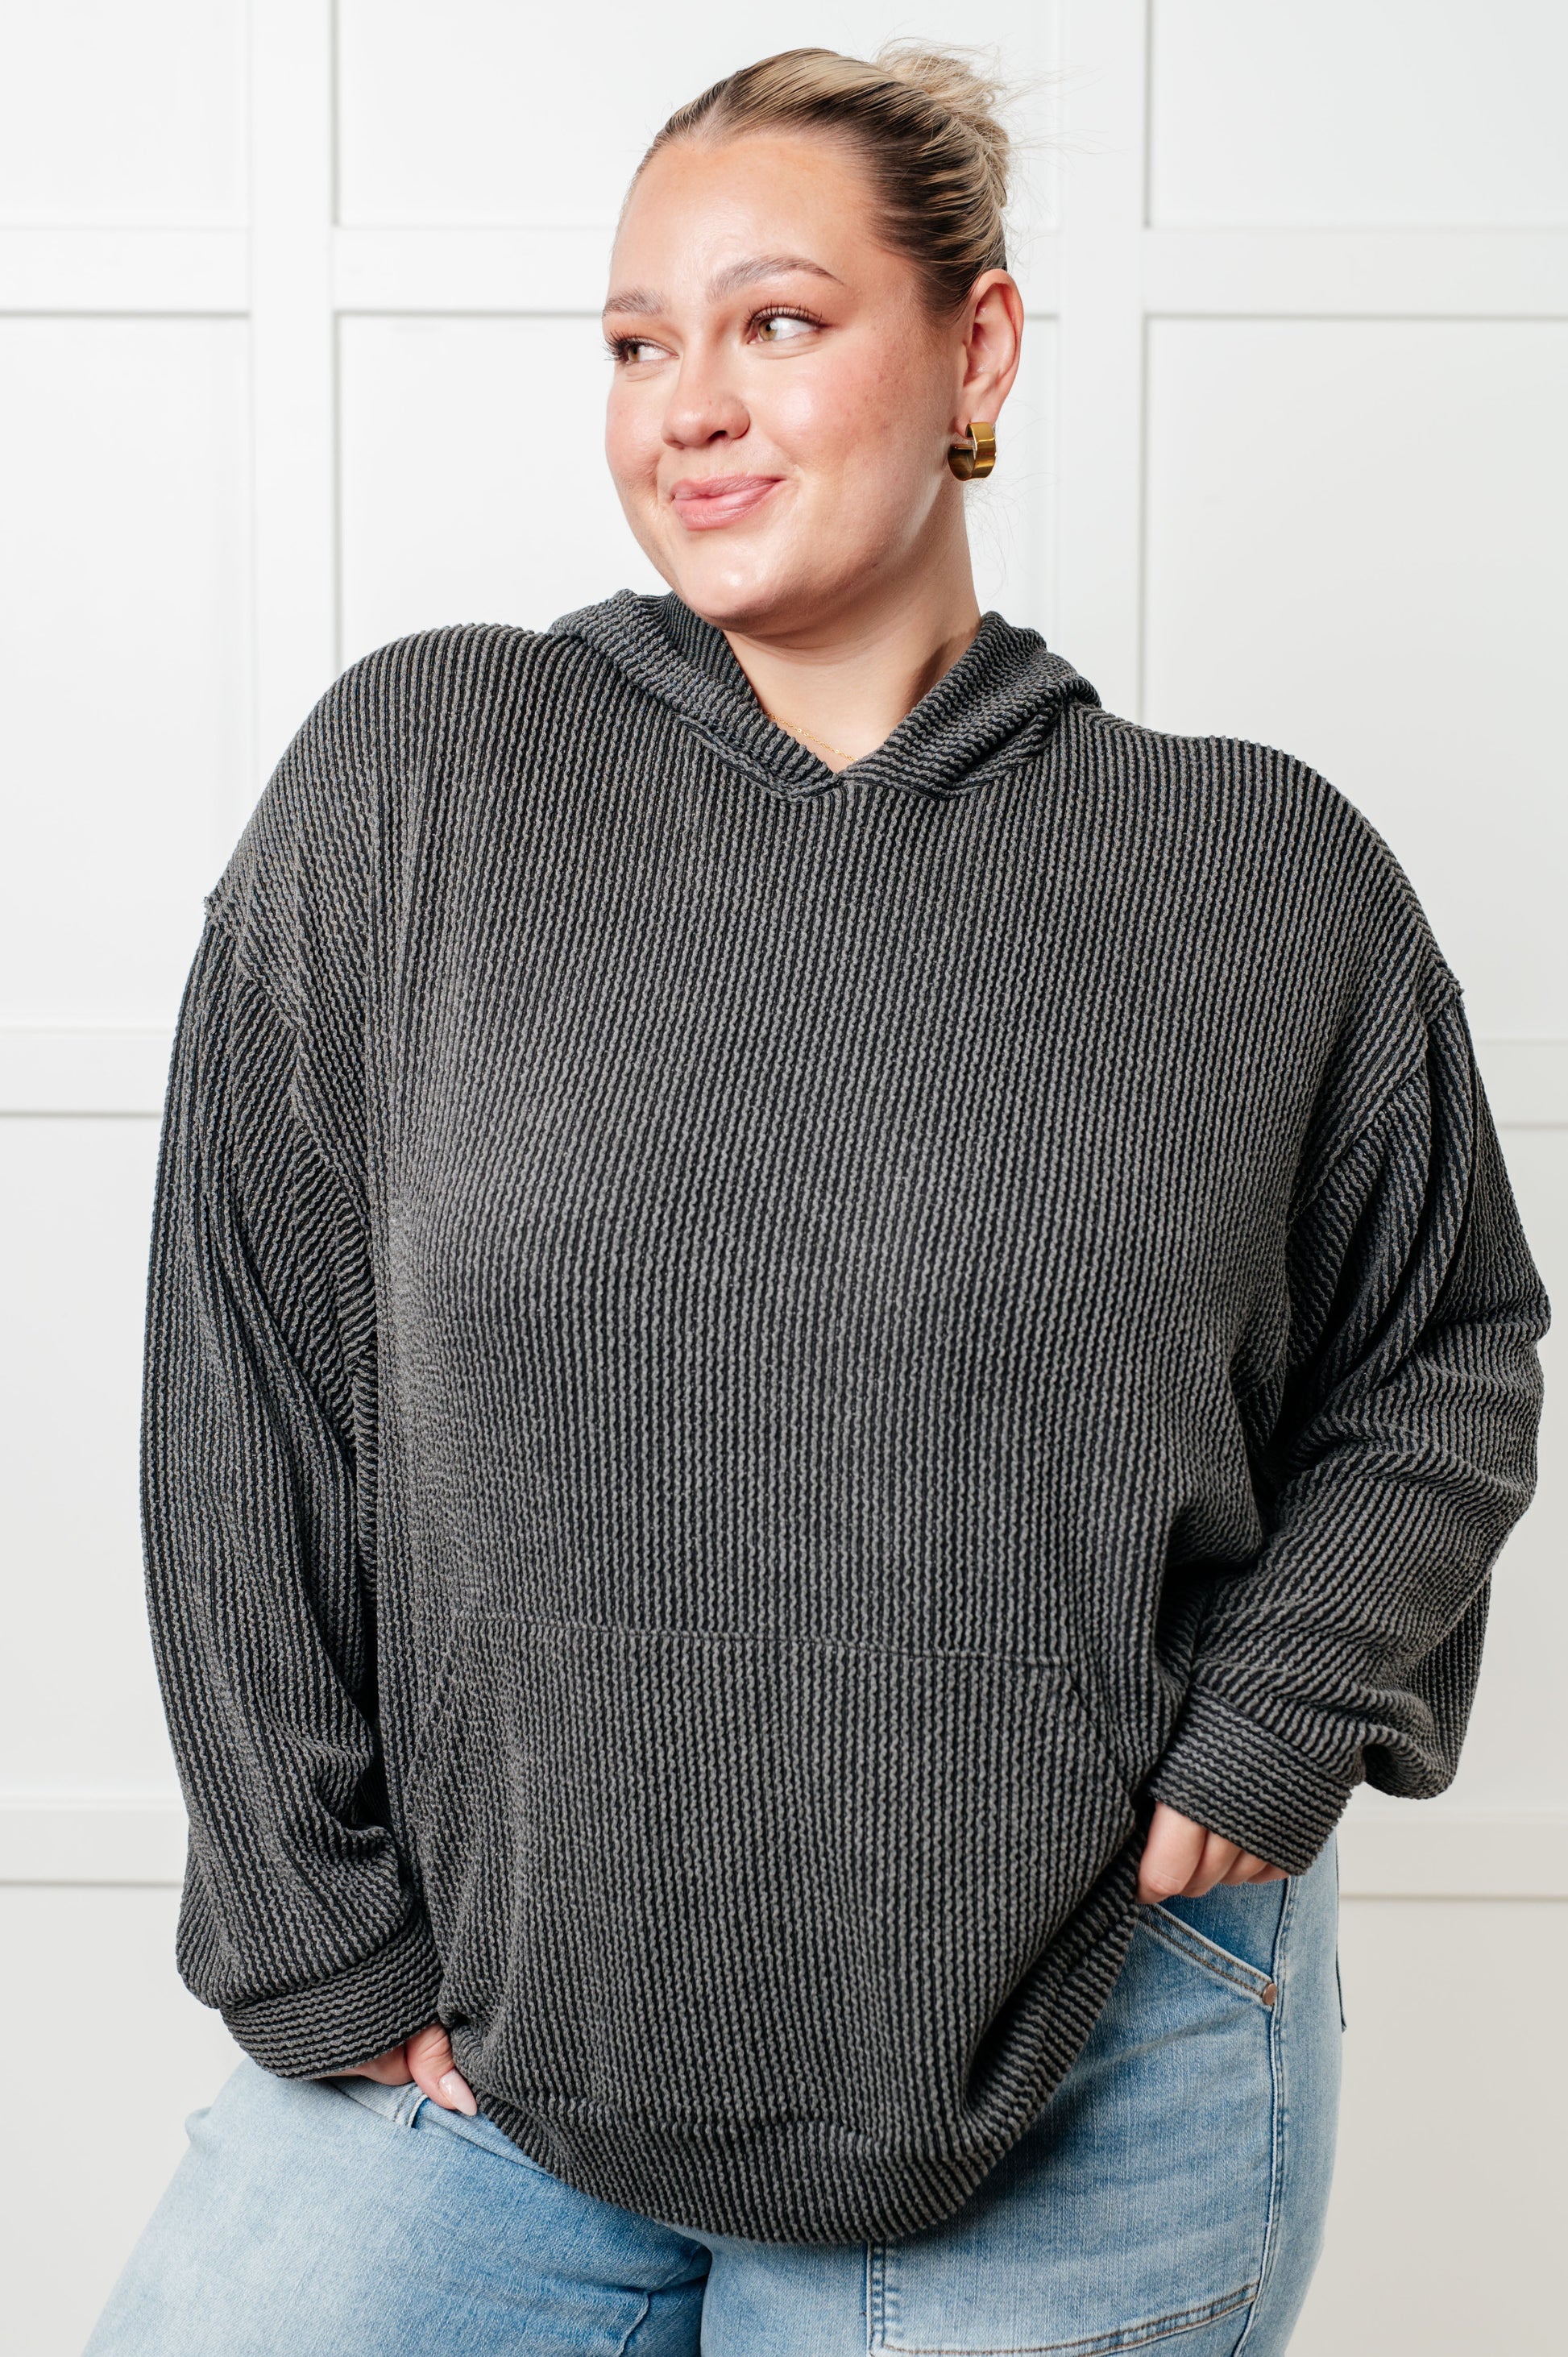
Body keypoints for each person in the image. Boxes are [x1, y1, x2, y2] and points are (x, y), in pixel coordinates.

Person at [88, 43, 1548, 2357]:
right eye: (636, 343)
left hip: (1080, 2044)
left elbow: (1445, 1350)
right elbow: (241, 1372)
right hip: (473, 2045)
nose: (689, 404)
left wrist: (1282, 1702)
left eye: (773, 323)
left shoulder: (1253, 874)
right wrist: (309, 1923)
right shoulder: (426, 782)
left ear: (972, 351)